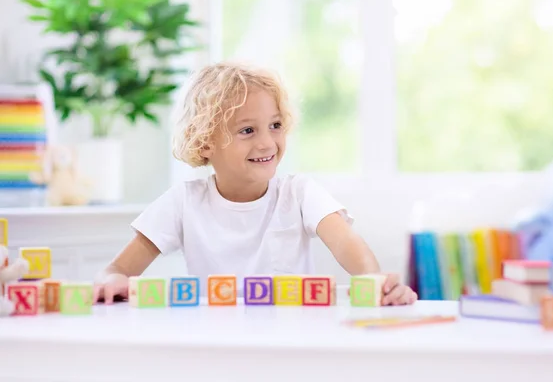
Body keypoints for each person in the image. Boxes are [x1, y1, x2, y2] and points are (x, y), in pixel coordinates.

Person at [93, 62, 417, 306]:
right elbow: (120, 267)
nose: (267, 143)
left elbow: (346, 242)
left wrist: (374, 282)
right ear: (205, 142)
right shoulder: (183, 202)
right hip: (219, 344)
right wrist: (112, 280)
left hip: (290, 339)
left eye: (275, 125)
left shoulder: (300, 193)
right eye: (248, 130)